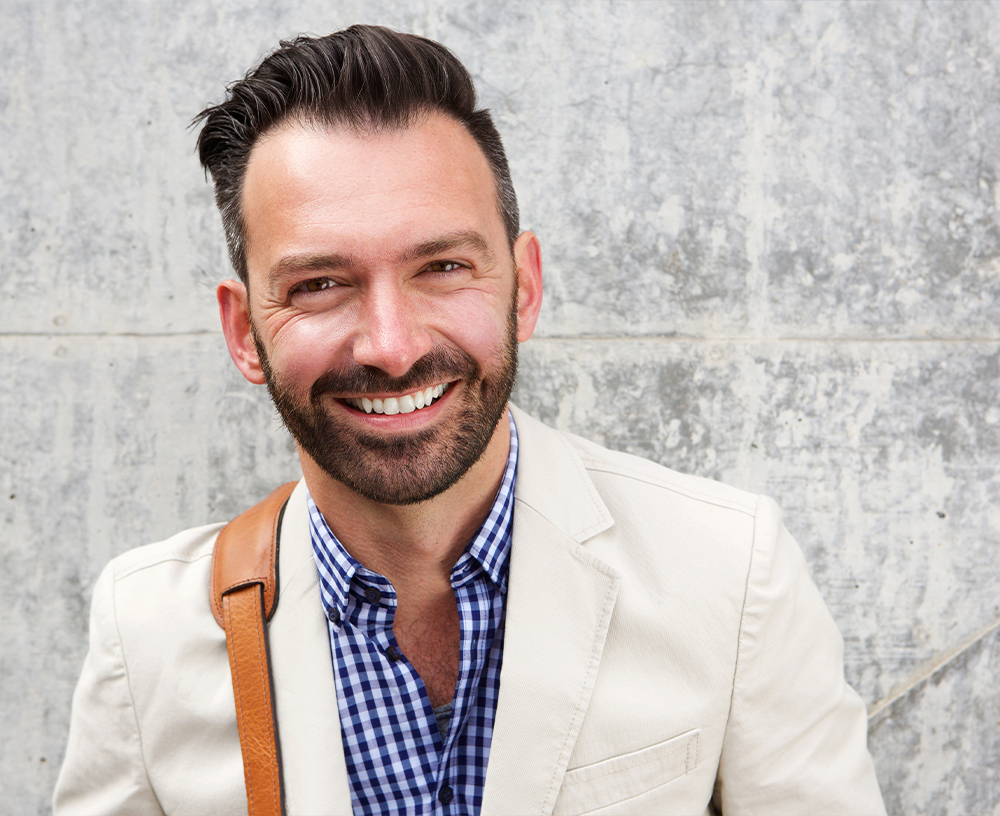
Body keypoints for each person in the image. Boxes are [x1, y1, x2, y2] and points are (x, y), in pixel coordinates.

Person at [54, 25, 885, 816]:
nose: (390, 346)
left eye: (444, 267)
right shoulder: (148, 630)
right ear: (245, 331)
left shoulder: (731, 574)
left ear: (522, 286)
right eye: (318, 284)